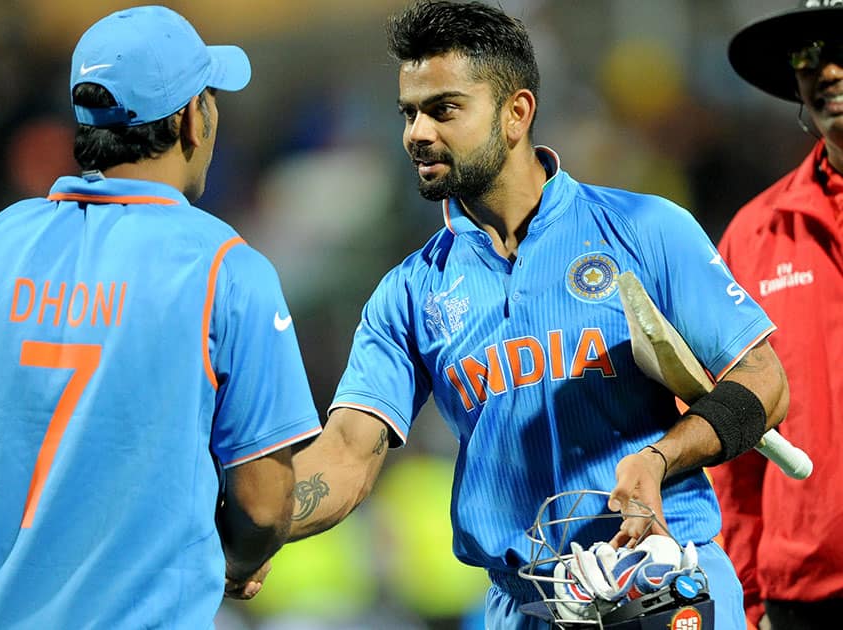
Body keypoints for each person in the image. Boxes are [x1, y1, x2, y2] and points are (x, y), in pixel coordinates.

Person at [280, 2, 790, 629]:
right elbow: (347, 456)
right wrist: (247, 524)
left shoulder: (646, 229)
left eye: (443, 109)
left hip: (664, 585)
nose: (416, 132)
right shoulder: (407, 295)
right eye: (408, 112)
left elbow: (765, 381)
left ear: (516, 112)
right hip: (527, 609)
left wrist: (661, 457)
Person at [0, 6, 321, 628]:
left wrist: (0, 569)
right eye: (210, 97)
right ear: (193, 119)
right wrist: (233, 562)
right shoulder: (226, 269)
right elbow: (265, 505)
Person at [711, 2, 843, 629]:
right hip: (802, 602)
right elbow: (731, 438)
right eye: (808, 54)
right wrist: (746, 597)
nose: (828, 70)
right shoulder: (753, 235)